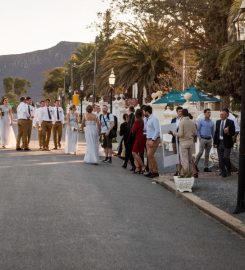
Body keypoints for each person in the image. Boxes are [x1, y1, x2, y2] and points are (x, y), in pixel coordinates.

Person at [172, 109, 197, 177]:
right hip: (191, 142)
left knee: (184, 160)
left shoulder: (182, 122)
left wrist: (173, 133)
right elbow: (195, 133)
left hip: (183, 143)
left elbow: (180, 134)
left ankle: (186, 175)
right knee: (190, 160)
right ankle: (191, 174)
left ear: (182, 114)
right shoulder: (192, 122)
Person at [214, 109, 235, 177]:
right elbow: (216, 133)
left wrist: (228, 132)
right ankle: (223, 172)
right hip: (219, 142)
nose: (221, 115)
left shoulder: (231, 122)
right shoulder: (218, 122)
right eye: (220, 114)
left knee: (226, 157)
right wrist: (215, 142)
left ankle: (229, 169)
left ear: (227, 115)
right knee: (220, 159)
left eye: (223, 114)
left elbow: (233, 133)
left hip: (227, 143)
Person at [144, 105, 160, 178]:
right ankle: (151, 171)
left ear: (147, 112)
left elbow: (157, 131)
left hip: (154, 139)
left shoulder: (154, 119)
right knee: (148, 156)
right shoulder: (147, 119)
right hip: (148, 139)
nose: (143, 113)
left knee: (150, 155)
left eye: (144, 112)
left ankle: (155, 171)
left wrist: (153, 140)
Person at [131, 109, 146, 173]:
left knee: (134, 152)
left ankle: (142, 166)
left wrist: (134, 122)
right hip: (142, 137)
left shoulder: (137, 121)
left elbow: (133, 130)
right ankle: (138, 167)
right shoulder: (142, 120)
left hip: (138, 138)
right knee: (138, 153)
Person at [122, 106, 135, 170]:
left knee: (129, 151)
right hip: (129, 137)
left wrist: (129, 138)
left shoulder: (131, 117)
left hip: (129, 137)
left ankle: (132, 165)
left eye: (127, 110)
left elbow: (130, 128)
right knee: (128, 151)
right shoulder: (132, 116)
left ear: (129, 110)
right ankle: (126, 163)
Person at [171, 106, 183, 176]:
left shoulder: (184, 120)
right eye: (179, 111)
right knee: (175, 155)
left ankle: (181, 170)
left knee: (181, 155)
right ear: (177, 112)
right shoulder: (173, 120)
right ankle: (177, 170)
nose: (180, 113)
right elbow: (170, 129)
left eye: (181, 111)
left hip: (181, 140)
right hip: (174, 139)